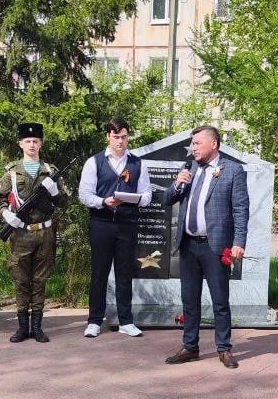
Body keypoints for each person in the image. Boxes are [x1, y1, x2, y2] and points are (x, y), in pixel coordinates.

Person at [163, 124, 249, 368]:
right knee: (189, 300)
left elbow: (241, 209)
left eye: (197, 143)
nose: (193, 147)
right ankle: (190, 346)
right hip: (189, 245)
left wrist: (239, 242)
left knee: (220, 301)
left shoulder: (233, 171)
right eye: (192, 143)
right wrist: (177, 184)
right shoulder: (189, 168)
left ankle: (224, 348)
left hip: (215, 246)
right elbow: (168, 199)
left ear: (214, 144)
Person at [77, 118, 151, 339]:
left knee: (125, 273)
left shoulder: (138, 164)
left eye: (124, 137)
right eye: (116, 137)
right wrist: (103, 201)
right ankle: (94, 321)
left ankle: (126, 321)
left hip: (127, 223)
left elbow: (147, 195)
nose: (120, 141)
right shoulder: (95, 162)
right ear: (108, 137)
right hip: (101, 223)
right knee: (99, 273)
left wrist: (135, 199)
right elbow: (84, 195)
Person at [0, 122, 68, 343]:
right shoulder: (11, 171)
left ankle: (37, 327)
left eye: (35, 141)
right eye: (27, 141)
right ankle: (22, 327)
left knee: (40, 281)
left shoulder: (50, 171)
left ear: (41, 143)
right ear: (20, 144)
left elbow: (64, 202)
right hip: (20, 234)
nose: (32, 145)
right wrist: (6, 214)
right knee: (21, 281)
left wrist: (55, 193)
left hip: (44, 233)